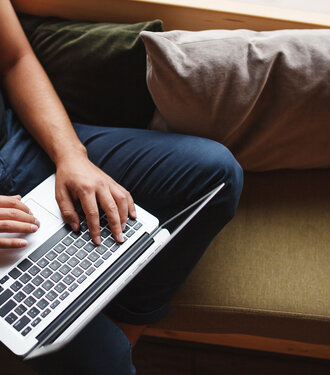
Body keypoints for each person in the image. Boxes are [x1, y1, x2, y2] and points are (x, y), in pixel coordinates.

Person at [0, 1, 243, 374]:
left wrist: (72, 156)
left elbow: (14, 59)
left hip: (19, 143)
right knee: (107, 363)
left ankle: (124, 325)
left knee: (216, 174)